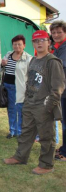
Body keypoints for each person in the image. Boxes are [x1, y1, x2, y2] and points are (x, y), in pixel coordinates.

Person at [4, 30, 65, 175]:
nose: (39, 43)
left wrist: (49, 106)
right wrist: (26, 99)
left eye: (42, 40)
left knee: (46, 137)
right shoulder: (34, 60)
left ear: (48, 42)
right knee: (26, 133)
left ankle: (46, 165)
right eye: (36, 41)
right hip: (29, 102)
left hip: (44, 105)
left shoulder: (52, 62)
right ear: (32, 44)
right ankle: (20, 157)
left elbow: (58, 88)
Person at [1, 35, 32, 139]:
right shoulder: (8, 54)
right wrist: (2, 65)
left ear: (24, 45)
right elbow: (2, 68)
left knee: (21, 110)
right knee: (11, 109)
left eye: (19, 44)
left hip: (20, 88)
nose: (17, 46)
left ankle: (20, 132)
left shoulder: (28, 58)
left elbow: (30, 75)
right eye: (15, 44)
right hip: (7, 86)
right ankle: (12, 130)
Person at [49, 20, 66, 161]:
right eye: (53, 32)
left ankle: (65, 153)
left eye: (59, 32)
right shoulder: (57, 47)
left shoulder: (64, 48)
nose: (56, 35)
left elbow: (60, 67)